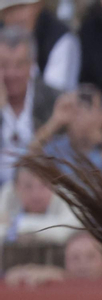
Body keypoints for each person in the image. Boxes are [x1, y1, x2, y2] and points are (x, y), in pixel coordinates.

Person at [38, 84, 102, 194]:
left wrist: (99, 139)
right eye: (76, 110)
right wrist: (55, 122)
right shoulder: (56, 148)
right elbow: (25, 161)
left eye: (88, 107)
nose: (80, 115)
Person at [1, 26, 59, 186]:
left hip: (42, 194)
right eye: (3, 65)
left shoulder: (53, 99)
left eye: (19, 65)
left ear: (31, 65)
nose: (11, 73)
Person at [0, 0, 76, 92]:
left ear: (38, 5)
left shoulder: (60, 39)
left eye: (21, 7)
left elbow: (52, 94)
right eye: (9, 10)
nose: (16, 17)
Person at [5, 228, 102, 285]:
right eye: (75, 258)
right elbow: (12, 276)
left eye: (91, 256)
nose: (82, 264)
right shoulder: (53, 278)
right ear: (65, 261)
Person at [0, 162, 74, 241]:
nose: (36, 194)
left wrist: (15, 223)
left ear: (53, 185)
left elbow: (65, 232)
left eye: (43, 185)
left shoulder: (65, 196)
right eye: (28, 186)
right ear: (16, 188)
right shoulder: (9, 193)